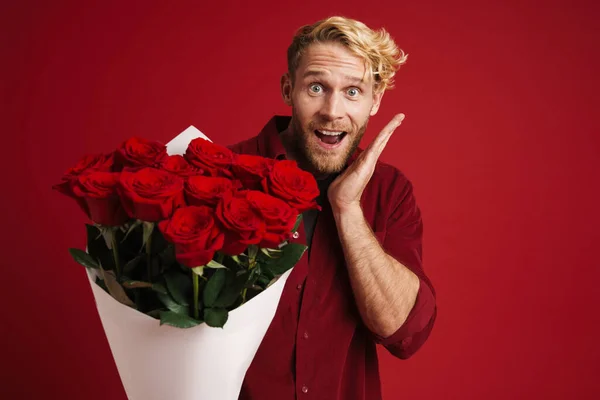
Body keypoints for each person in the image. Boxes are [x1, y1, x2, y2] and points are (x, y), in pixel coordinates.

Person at [228, 15, 437, 400]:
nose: (332, 111)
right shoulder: (222, 174)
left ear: (375, 101)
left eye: (353, 91)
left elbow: (403, 333)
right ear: (288, 89)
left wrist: (347, 209)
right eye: (316, 87)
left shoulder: (390, 191)